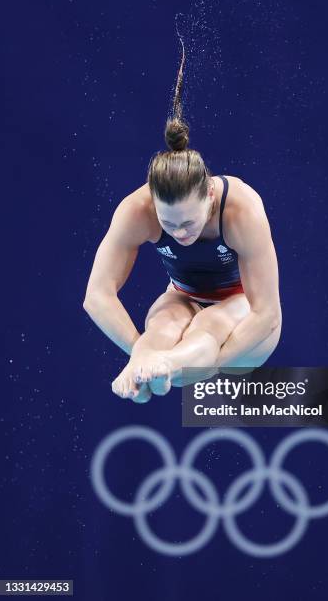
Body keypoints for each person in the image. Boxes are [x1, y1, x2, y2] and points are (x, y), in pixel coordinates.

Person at [83, 43, 282, 403]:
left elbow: (266, 314)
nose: (180, 233)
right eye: (168, 223)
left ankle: (169, 365)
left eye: (189, 223)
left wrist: (206, 366)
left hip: (247, 323)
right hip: (184, 295)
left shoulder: (241, 210)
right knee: (160, 323)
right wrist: (140, 355)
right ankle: (154, 372)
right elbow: (96, 297)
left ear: (208, 195)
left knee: (207, 326)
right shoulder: (136, 210)